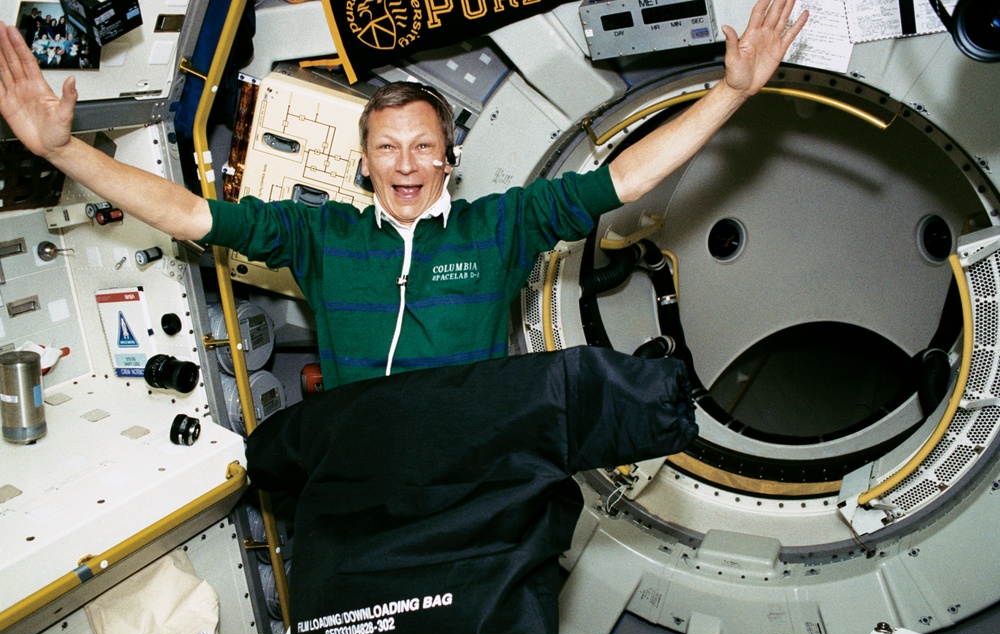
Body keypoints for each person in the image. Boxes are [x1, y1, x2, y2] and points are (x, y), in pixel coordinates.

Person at [0, 0, 807, 389]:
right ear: (365, 164)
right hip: (367, 477)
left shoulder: (502, 225)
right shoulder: (320, 238)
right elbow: (187, 212)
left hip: (471, 473)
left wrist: (730, 92)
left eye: (423, 146)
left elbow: (622, 178)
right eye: (387, 149)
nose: (406, 164)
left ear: (449, 158)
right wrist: (65, 150)